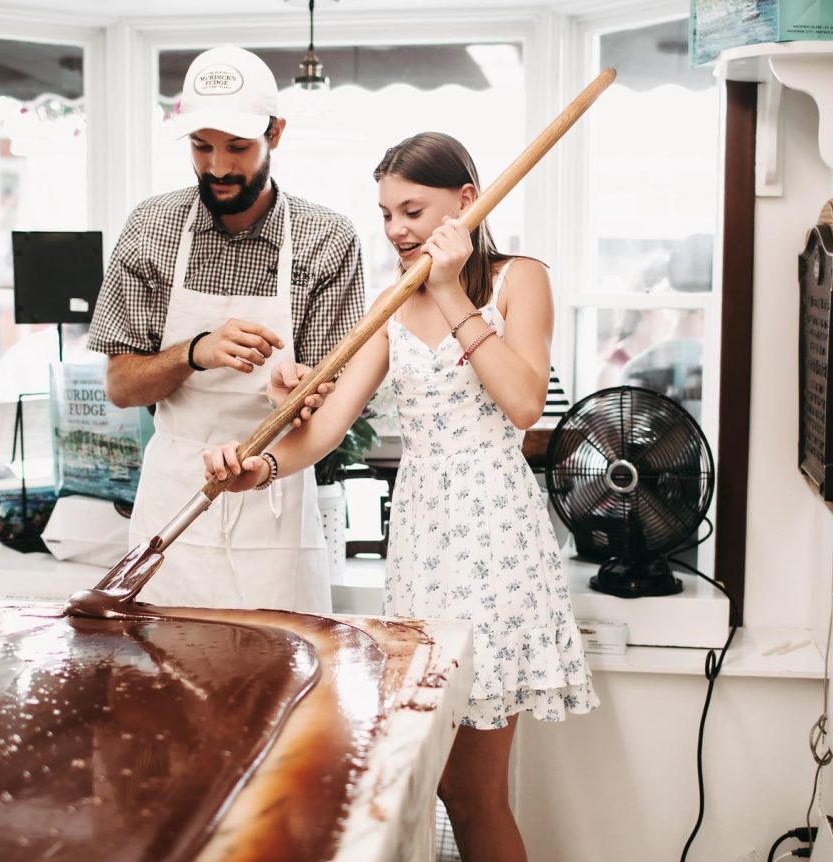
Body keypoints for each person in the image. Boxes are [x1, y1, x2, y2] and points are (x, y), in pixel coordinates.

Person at [203, 132, 598, 862]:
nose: (396, 230)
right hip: (421, 548)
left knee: (471, 793)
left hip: (494, 546)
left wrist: (450, 293)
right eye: (385, 214)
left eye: (411, 210)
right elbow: (320, 433)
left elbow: (523, 403)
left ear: (466, 201)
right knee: (439, 784)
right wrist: (254, 469)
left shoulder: (520, 279)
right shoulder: (391, 300)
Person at [87, 45, 365, 613]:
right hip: (174, 495)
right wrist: (194, 352)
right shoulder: (152, 228)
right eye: (201, 146)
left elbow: (337, 404)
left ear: (276, 134)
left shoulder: (327, 239)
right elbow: (121, 387)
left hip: (275, 494)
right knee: (167, 680)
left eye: (237, 147)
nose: (217, 167)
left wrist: (297, 393)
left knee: (282, 682)